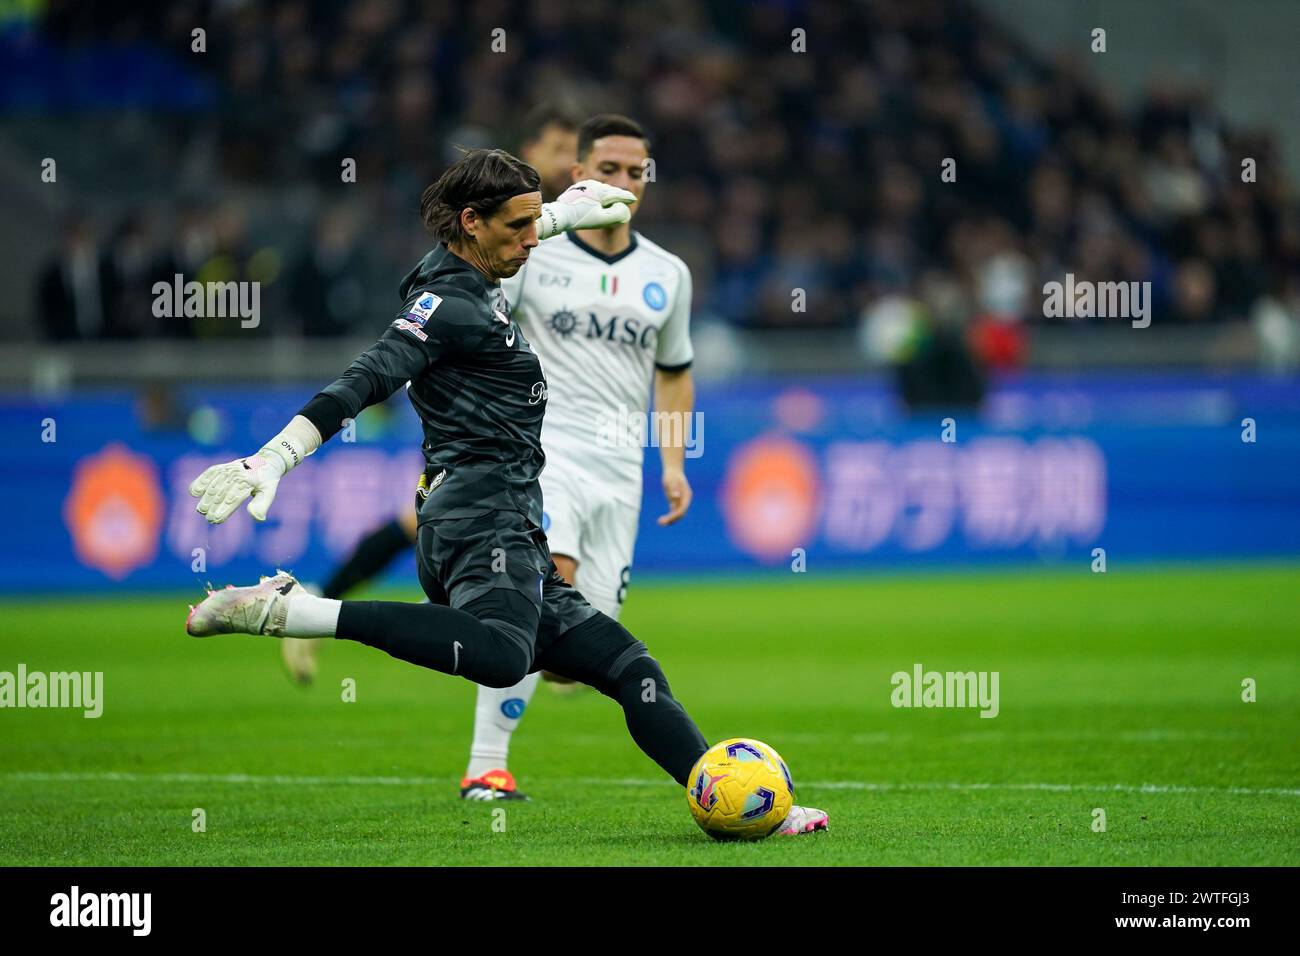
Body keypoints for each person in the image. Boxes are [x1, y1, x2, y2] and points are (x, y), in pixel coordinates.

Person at [184, 148, 828, 837]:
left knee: (626, 665)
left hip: (515, 523)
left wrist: (565, 213)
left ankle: (730, 795)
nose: (535, 238)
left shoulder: (468, 268)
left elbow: (513, 232)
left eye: (536, 222)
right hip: (474, 520)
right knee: (501, 656)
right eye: (521, 226)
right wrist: (277, 456)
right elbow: (369, 375)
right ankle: (294, 612)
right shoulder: (446, 306)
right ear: (471, 222)